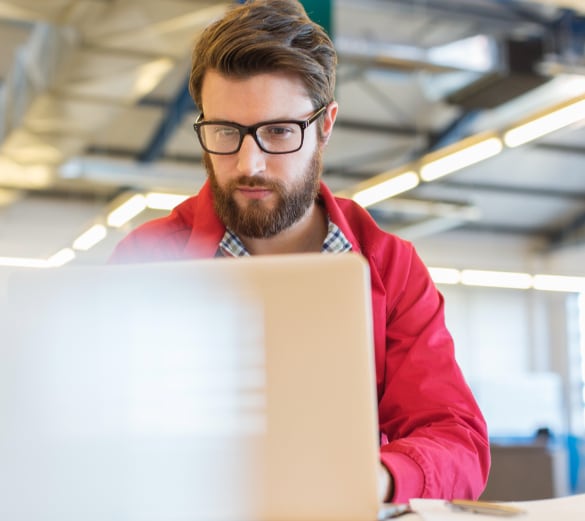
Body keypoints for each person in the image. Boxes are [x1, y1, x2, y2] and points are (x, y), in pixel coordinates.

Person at [110, 0, 490, 503]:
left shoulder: (389, 267)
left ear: (325, 126)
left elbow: (453, 437)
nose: (251, 165)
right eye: (225, 131)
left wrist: (377, 479)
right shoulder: (149, 258)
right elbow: (102, 423)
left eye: (279, 132)